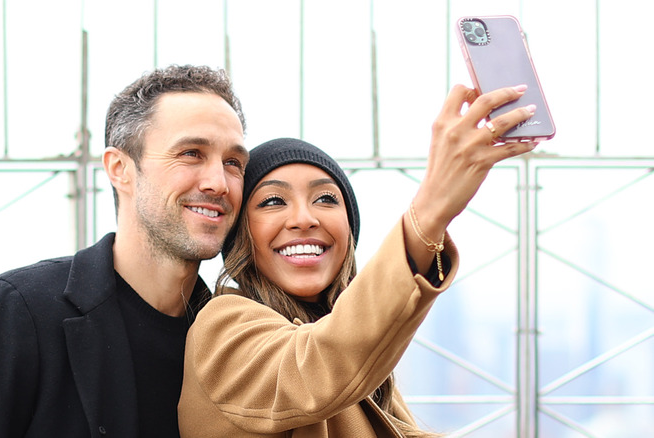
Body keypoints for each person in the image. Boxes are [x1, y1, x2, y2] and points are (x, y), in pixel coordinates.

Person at [0, 64, 249, 437]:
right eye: (191, 153)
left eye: (233, 163)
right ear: (120, 169)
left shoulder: (232, 339)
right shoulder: (17, 312)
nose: (219, 182)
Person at [178, 84, 538, 437]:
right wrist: (429, 211)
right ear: (242, 236)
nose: (304, 218)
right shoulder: (222, 324)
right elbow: (317, 365)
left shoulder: (356, 358)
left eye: (326, 199)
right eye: (273, 201)